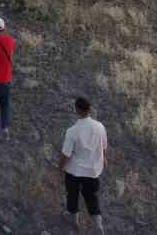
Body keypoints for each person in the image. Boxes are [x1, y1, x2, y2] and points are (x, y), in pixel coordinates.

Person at [60, 97, 108, 232]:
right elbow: (103, 146)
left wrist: (60, 168)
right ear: (89, 109)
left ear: (77, 110)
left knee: (72, 195)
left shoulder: (72, 131)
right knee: (92, 197)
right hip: (93, 171)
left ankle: (74, 220)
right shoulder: (100, 127)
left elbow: (66, 154)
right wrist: (104, 158)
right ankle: (98, 224)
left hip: (74, 171)